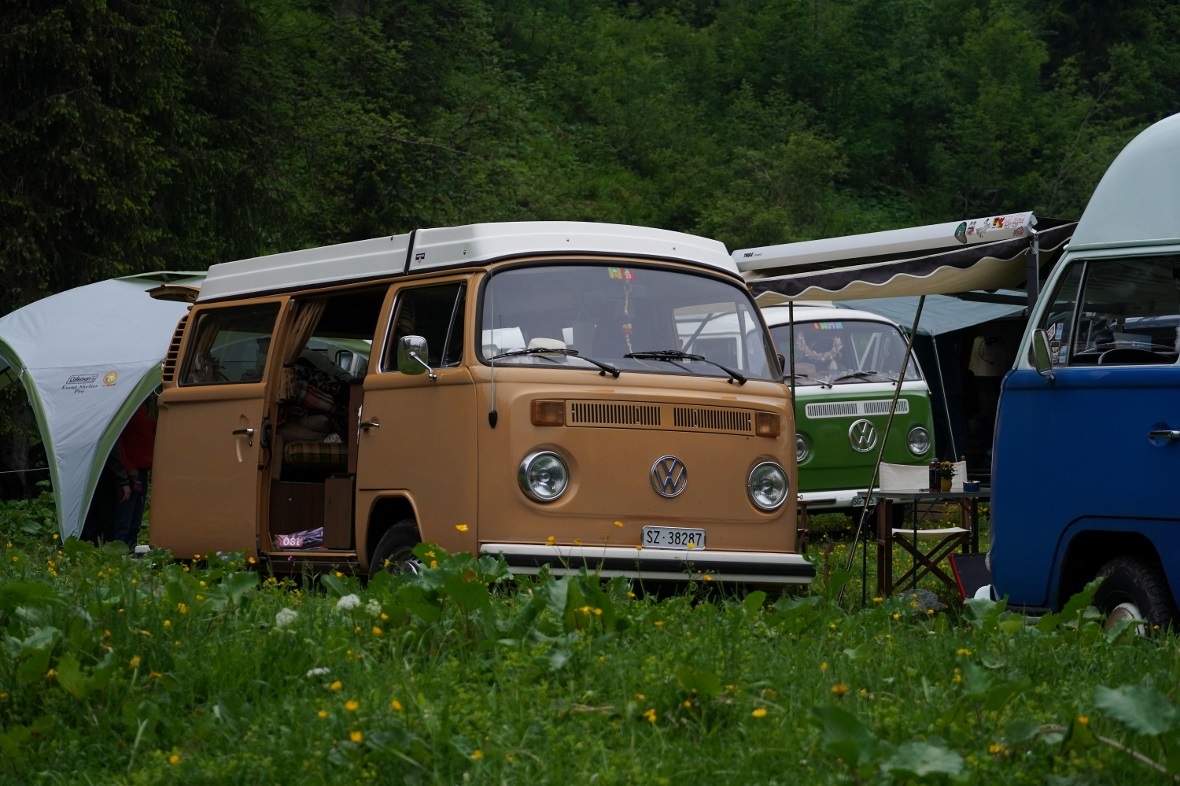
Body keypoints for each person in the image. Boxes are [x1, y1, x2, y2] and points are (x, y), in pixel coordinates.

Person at [112, 401, 157, 548]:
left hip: (140, 469)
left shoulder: (139, 406)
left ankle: (130, 548)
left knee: (136, 517)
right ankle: (118, 550)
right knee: (125, 518)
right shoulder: (125, 406)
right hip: (130, 472)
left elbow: (145, 427)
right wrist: (127, 467)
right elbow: (116, 441)